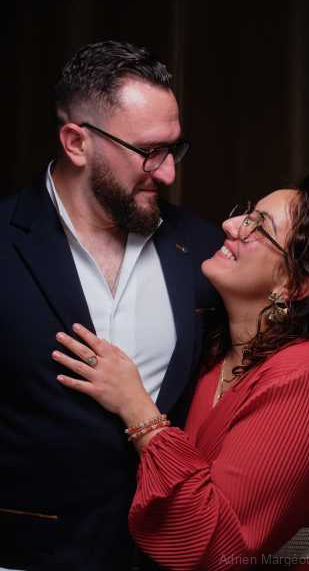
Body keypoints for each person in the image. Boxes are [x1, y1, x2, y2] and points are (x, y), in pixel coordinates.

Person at [54, 177, 309, 570]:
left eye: (259, 227)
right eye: (247, 214)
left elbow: (215, 545)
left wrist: (135, 405)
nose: (230, 225)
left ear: (294, 284)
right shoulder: (212, 354)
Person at [0, 41, 223, 571]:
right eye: (149, 151)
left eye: (174, 149)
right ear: (77, 143)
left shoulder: (205, 250)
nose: (167, 173)